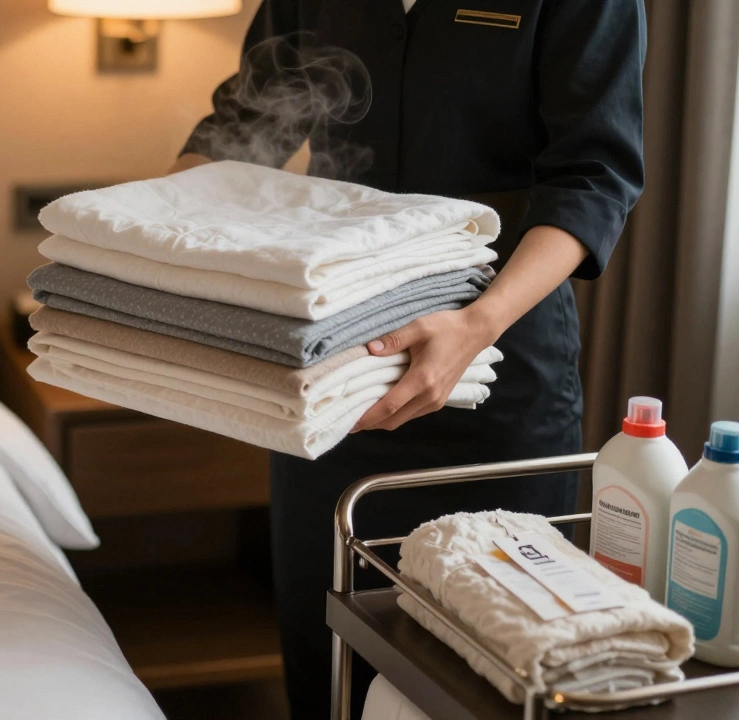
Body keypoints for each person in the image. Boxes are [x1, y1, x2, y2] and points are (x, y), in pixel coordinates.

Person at [170, 1, 646, 717]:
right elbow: (242, 124)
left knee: (490, 669)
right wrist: (157, 242)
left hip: (498, 364)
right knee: (327, 654)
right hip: (333, 374)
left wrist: (477, 324)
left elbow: (593, 177)